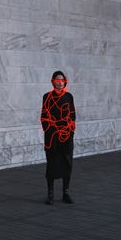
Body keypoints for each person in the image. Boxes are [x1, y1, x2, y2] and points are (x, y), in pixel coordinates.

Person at [40, 71, 76, 205]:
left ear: (65, 82)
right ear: (53, 81)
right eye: (57, 80)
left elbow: (72, 116)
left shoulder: (69, 97)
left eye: (62, 80)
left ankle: (65, 193)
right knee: (51, 165)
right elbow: (44, 117)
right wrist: (53, 130)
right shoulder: (47, 97)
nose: (60, 82)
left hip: (66, 137)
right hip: (52, 137)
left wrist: (68, 131)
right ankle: (50, 194)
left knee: (67, 164)